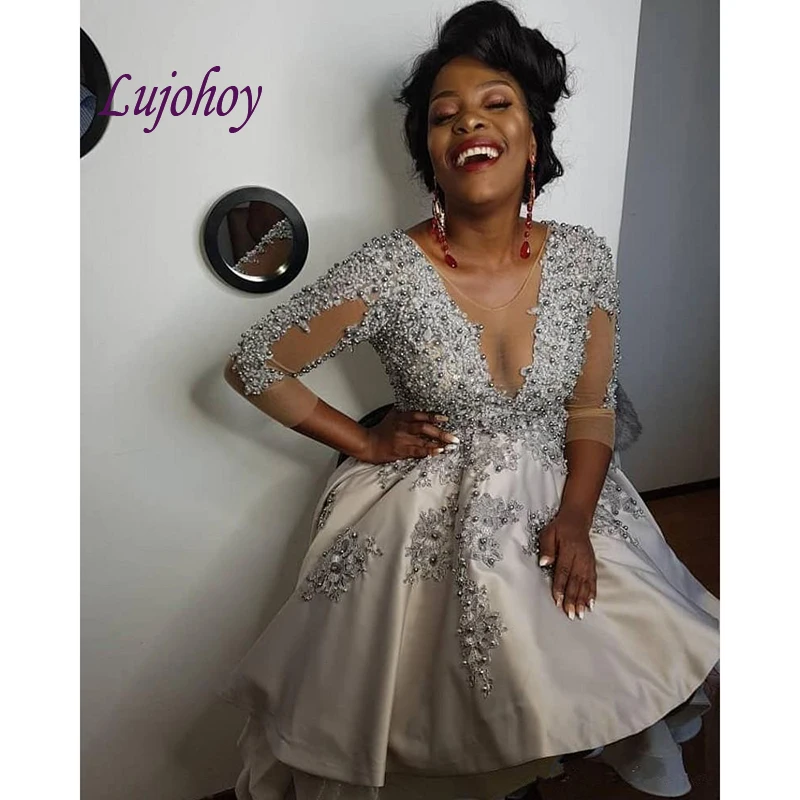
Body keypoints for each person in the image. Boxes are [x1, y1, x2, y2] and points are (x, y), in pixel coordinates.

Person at [219, 3, 720, 798]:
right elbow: (254, 363)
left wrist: (576, 519)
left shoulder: (584, 257)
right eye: (443, 115)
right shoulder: (387, 267)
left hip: (565, 494)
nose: (467, 124)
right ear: (430, 151)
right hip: (424, 519)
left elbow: (591, 409)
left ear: (532, 137)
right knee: (430, 713)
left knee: (612, 652)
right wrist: (365, 441)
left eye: (496, 103)